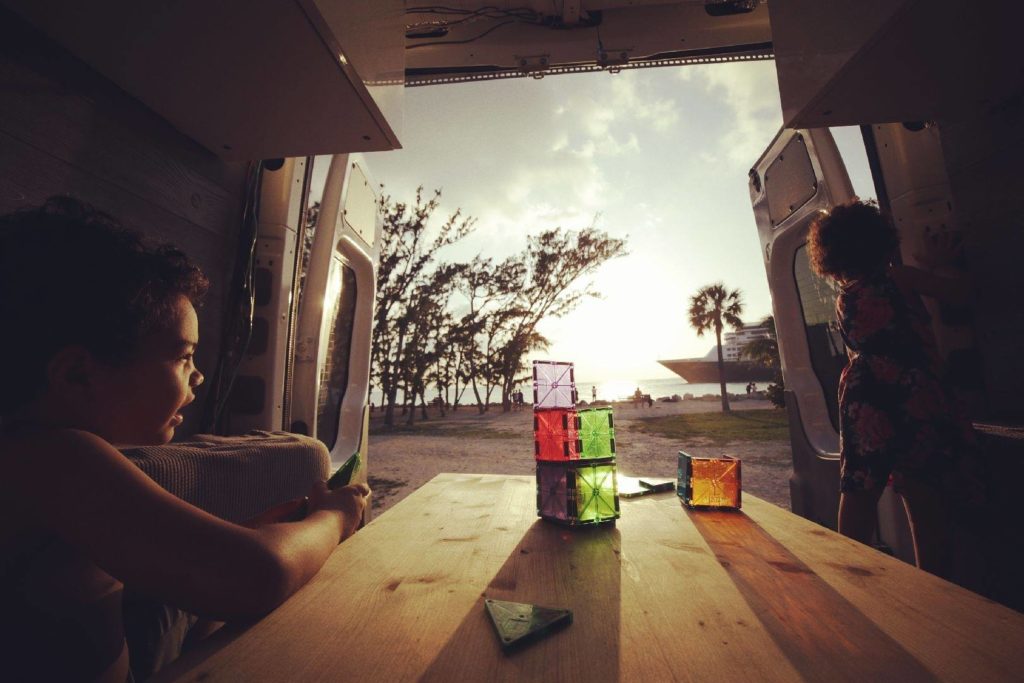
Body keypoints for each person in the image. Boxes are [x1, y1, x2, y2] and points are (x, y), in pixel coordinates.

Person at [0, 198, 370, 681]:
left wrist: (246, 534)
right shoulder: (51, 462)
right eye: (183, 357)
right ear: (76, 375)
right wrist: (333, 517)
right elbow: (255, 575)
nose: (198, 378)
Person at [807, 200, 983, 577]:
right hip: (910, 390)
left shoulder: (845, 296)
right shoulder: (900, 278)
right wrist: (941, 262)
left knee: (858, 489)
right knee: (923, 496)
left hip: (864, 394)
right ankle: (935, 584)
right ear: (882, 241)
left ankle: (852, 573)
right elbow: (959, 294)